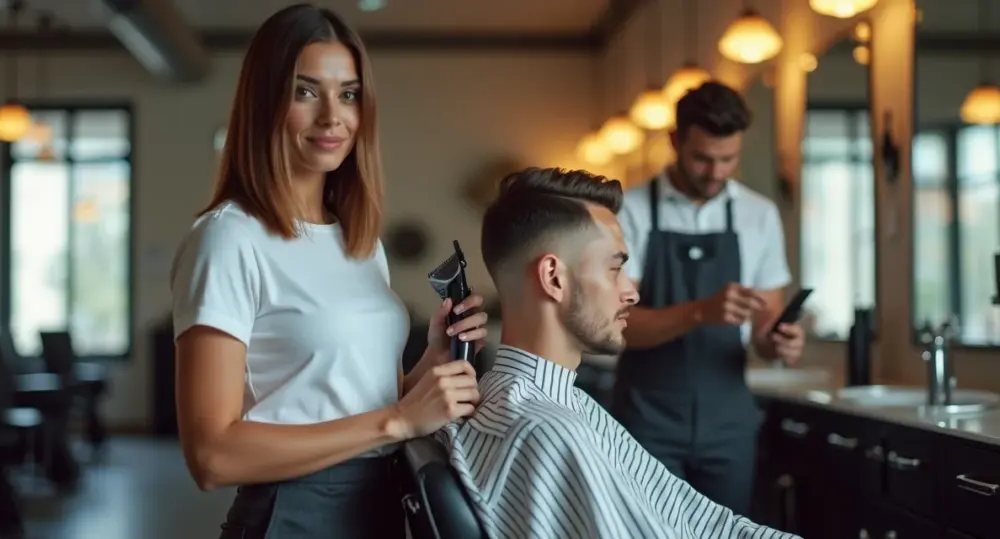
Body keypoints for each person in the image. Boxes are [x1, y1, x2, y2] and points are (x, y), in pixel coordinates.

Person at [168, 5, 488, 539]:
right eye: (305, 91)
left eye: (349, 94)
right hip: (294, 516)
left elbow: (353, 401)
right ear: (265, 101)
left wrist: (431, 361)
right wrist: (399, 421)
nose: (332, 117)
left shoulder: (358, 240)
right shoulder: (227, 239)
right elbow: (212, 456)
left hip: (381, 505)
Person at [436, 167, 797, 539]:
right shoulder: (552, 432)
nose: (632, 292)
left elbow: (702, 521)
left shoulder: (525, 405)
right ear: (554, 278)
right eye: (614, 269)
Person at [611, 80, 806, 516]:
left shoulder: (759, 215)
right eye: (702, 158)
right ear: (675, 141)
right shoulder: (631, 210)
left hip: (729, 420)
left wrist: (778, 341)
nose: (716, 173)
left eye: (728, 159)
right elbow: (619, 325)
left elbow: (763, 326)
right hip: (647, 418)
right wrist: (700, 311)